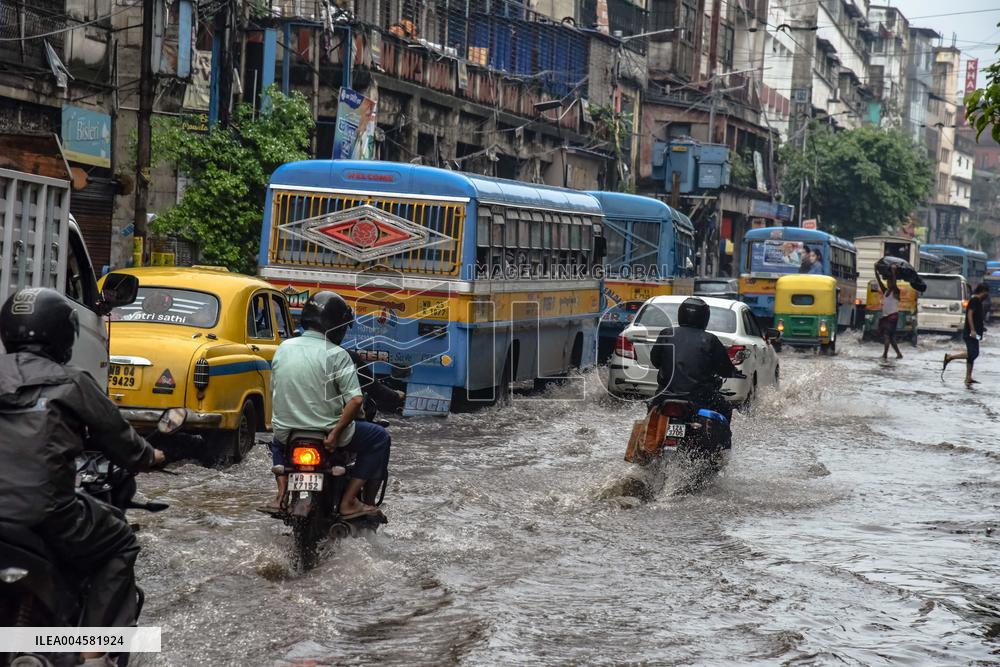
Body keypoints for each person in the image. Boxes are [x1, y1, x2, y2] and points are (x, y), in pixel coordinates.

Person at [0, 288, 165, 667]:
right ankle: (92, 652)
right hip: (45, 515)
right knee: (121, 539)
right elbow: (126, 445)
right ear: (64, 335)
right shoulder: (73, 384)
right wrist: (152, 455)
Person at [267, 291, 390, 518]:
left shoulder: (283, 348)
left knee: (276, 442)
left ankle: (280, 495)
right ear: (337, 326)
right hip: (327, 436)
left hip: (288, 433)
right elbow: (355, 400)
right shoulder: (338, 354)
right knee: (379, 438)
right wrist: (335, 434)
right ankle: (350, 501)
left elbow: (274, 390)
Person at [648, 297, 740, 426]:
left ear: (681, 314)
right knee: (726, 409)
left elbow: (655, 361)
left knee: (651, 411)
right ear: (704, 318)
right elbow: (724, 368)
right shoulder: (710, 340)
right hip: (699, 397)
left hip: (664, 395)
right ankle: (722, 447)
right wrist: (734, 372)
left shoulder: (666, 333)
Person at [943, 283, 989, 386]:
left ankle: (968, 377)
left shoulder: (977, 301)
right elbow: (969, 315)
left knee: (972, 354)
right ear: (982, 291)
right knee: (973, 353)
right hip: (970, 333)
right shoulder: (974, 300)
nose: (987, 296)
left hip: (975, 333)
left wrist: (981, 328)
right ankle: (950, 357)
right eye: (986, 293)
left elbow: (977, 317)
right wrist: (972, 330)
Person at [876, 263, 903, 360]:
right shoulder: (886, 291)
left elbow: (895, 284)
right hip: (886, 317)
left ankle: (885, 354)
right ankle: (899, 354)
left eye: (890, 282)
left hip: (892, 316)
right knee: (891, 338)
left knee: (886, 335)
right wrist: (875, 270)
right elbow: (879, 282)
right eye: (887, 282)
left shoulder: (896, 291)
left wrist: (893, 271)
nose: (888, 283)